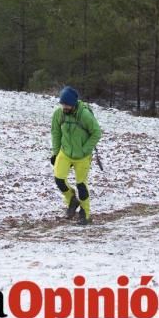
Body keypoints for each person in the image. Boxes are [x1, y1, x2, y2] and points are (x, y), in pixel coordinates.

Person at [51, 86, 102, 225]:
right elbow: (56, 133)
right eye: (62, 104)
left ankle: (85, 214)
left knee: (81, 185)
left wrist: (85, 150)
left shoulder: (84, 115)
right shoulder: (59, 114)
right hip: (65, 152)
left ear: (73, 103)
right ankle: (72, 200)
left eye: (67, 104)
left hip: (83, 156)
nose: (64, 107)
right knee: (59, 179)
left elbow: (97, 133)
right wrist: (55, 153)